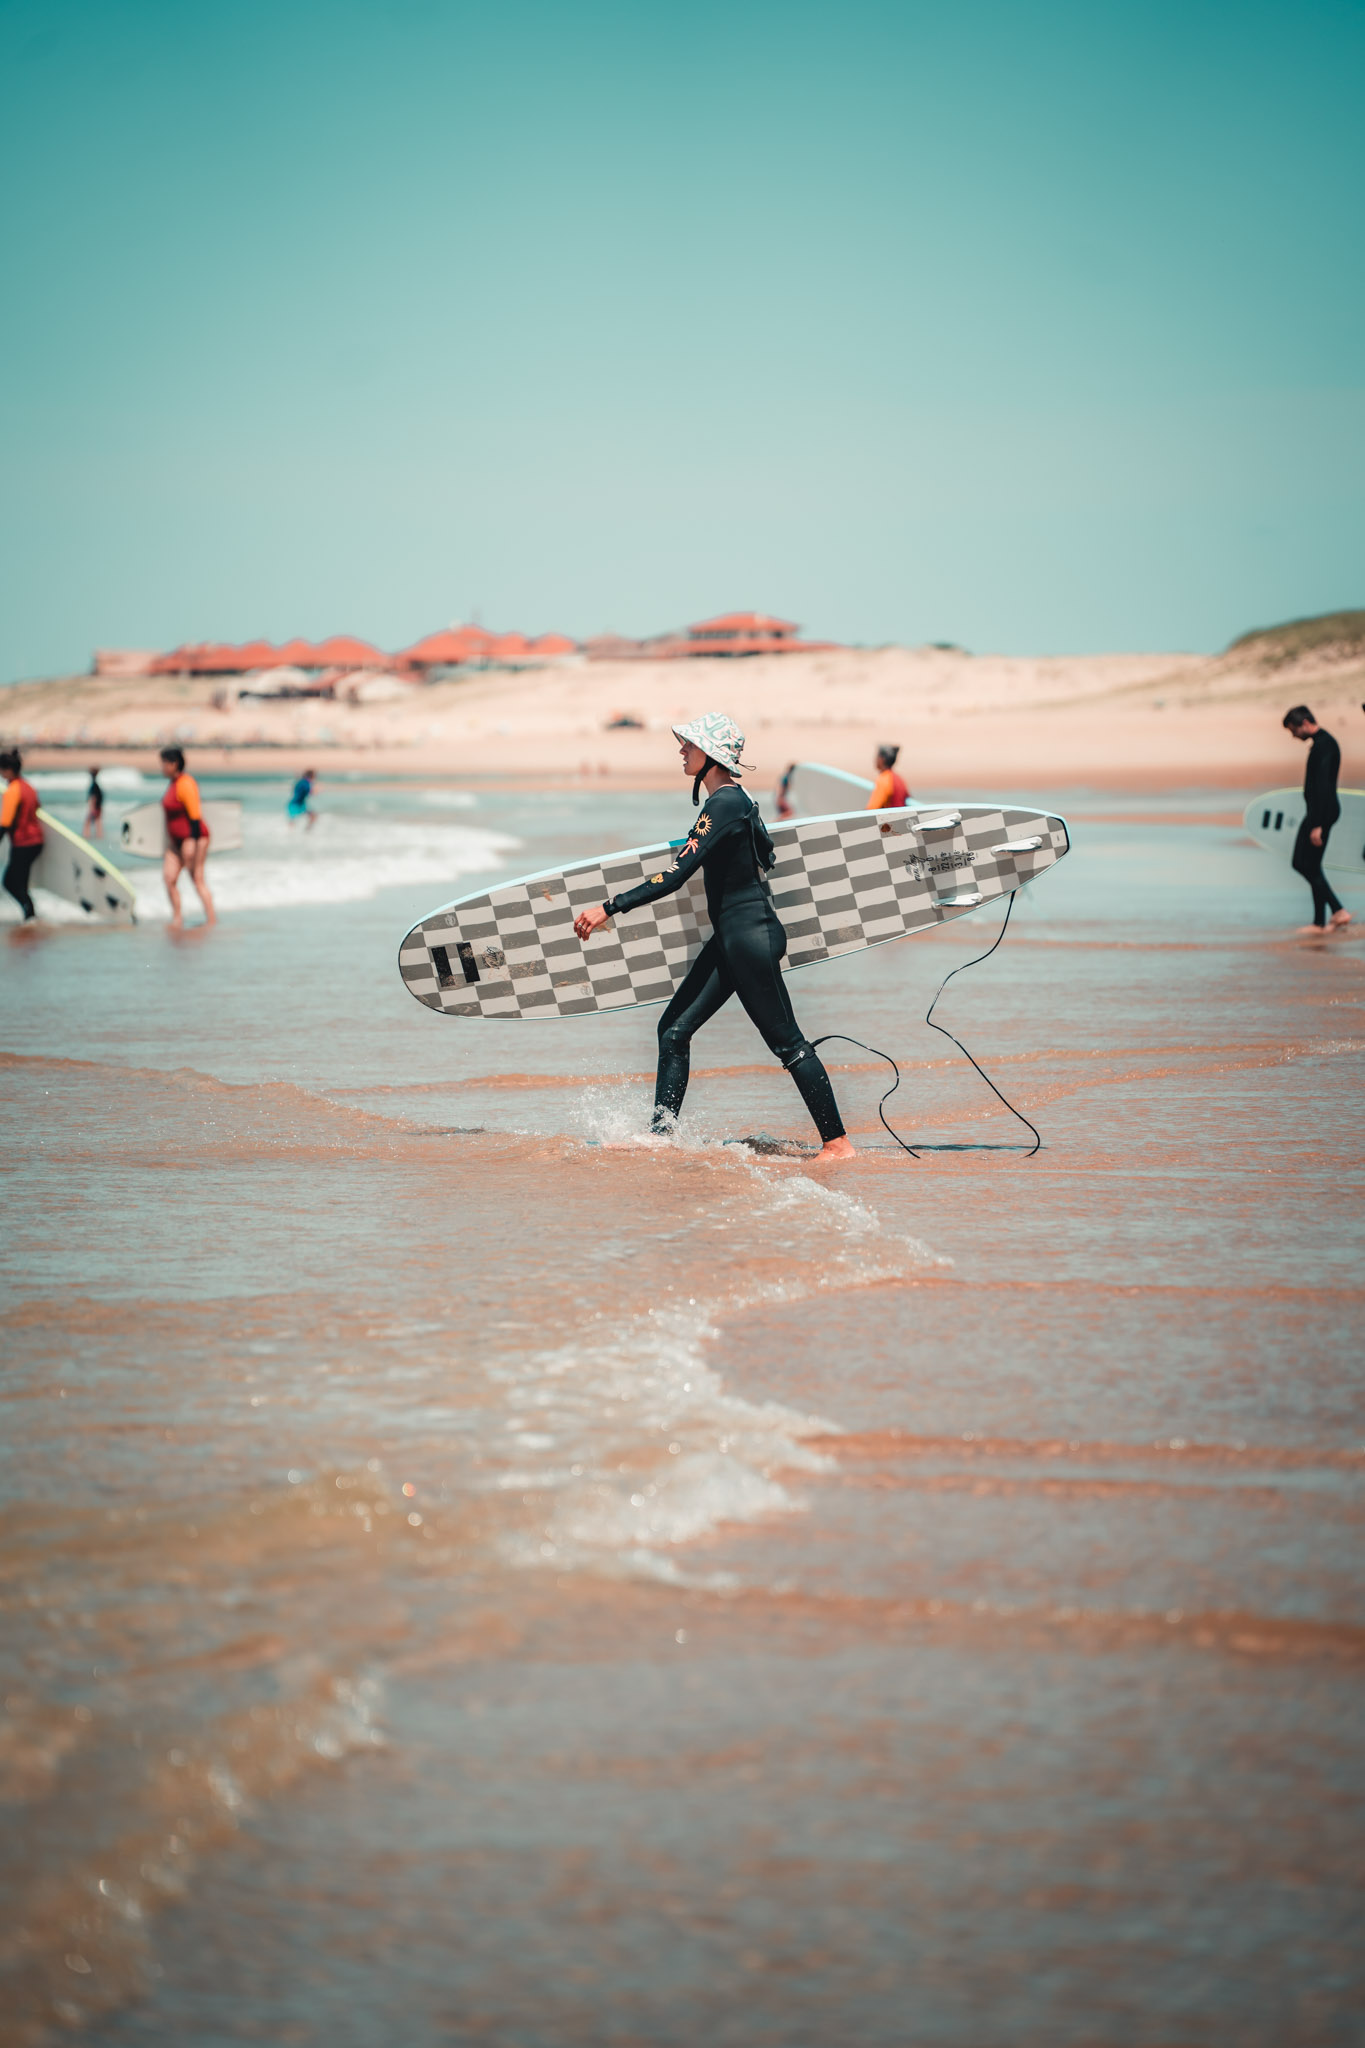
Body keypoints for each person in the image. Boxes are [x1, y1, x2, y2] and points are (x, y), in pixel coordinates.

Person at [573, 713, 855, 1159]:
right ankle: (661, 1136)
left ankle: (837, 1143)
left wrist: (608, 907)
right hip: (732, 939)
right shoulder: (735, 803)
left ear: (711, 755)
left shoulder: (724, 804)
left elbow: (675, 875)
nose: (682, 750)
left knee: (788, 1044)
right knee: (673, 1030)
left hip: (750, 939)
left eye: (689, 744)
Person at [1283, 706, 1350, 934]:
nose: (1293, 736)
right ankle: (1319, 922)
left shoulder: (1324, 745)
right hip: (1319, 812)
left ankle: (1338, 910)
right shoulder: (1322, 743)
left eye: (1293, 730)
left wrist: (1318, 824)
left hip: (1322, 814)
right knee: (1311, 865)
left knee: (1301, 863)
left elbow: (1322, 787)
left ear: (1304, 723)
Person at [159, 747, 216, 929]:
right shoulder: (173, 783)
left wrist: (192, 841)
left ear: (174, 764)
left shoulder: (186, 783)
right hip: (176, 842)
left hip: (194, 838)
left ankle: (211, 920)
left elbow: (195, 815)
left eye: (164, 763)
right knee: (169, 878)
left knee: (197, 879)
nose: (161, 767)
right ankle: (177, 919)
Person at [0, 749, 44, 922]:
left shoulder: (13, 790)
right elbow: (38, 808)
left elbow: (5, 823)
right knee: (21, 882)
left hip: (23, 842)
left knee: (9, 882)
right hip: (36, 841)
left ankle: (30, 913)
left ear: (8, 770)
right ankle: (29, 917)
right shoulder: (28, 787)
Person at [865, 744, 909, 811]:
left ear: (882, 759)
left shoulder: (884, 779)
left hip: (891, 816)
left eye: (877, 757)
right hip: (900, 815)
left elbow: (872, 808)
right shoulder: (899, 779)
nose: (875, 760)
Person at [84, 767, 104, 839]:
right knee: (97, 822)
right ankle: (99, 836)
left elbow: (93, 798)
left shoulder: (94, 786)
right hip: (98, 806)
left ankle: (87, 836)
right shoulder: (96, 786)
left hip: (94, 807)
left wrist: (92, 808)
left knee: (89, 822)